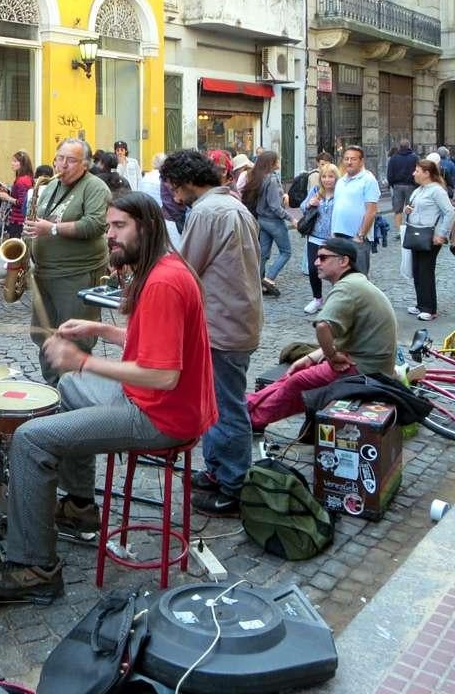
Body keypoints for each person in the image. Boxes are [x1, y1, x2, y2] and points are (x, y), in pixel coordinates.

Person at [0, 192, 217, 600]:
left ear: (146, 227)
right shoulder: (165, 267)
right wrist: (101, 332)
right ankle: (79, 505)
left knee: (30, 438)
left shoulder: (163, 282)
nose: (110, 236)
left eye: (118, 227)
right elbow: (157, 343)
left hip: (161, 416)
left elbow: (162, 375)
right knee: (68, 387)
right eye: (108, 226)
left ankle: (34, 567)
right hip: (162, 402)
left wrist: (81, 360)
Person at [163, 151, 261, 515]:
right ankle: (219, 470)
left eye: (175, 187)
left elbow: (185, 268)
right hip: (236, 318)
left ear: (188, 182)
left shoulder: (207, 211)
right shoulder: (233, 205)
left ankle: (234, 485)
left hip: (222, 324)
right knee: (218, 402)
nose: (174, 196)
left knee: (225, 407)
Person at [246, 238, 397, 433]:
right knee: (295, 374)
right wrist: (311, 357)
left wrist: (332, 357)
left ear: (343, 261)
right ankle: (247, 406)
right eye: (318, 257)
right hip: (365, 361)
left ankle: (253, 419)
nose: (316, 262)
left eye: (323, 258)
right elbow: (340, 336)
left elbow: (323, 326)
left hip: (366, 368)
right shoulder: (355, 282)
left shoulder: (347, 287)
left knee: (299, 382)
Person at [24, 138, 109, 386]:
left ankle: (75, 392)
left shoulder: (95, 187)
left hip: (77, 273)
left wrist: (51, 230)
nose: (62, 165)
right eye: (59, 158)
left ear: (85, 164)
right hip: (44, 272)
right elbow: (36, 222)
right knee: (43, 333)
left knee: (74, 336)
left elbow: (94, 225)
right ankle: (52, 386)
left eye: (70, 160)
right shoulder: (49, 186)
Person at [405, 159, 455, 320]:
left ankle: (430, 308)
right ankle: (421, 304)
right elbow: (415, 209)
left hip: (430, 236)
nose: (414, 173)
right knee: (417, 270)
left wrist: (441, 234)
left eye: (417, 171)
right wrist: (408, 210)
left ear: (427, 173)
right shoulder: (419, 189)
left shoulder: (437, 191)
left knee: (426, 271)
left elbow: (449, 212)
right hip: (416, 234)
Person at [242, 151, 294, 297]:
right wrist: (292, 219)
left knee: (263, 254)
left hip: (262, 220)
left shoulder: (260, 177)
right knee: (286, 252)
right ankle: (269, 278)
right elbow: (275, 207)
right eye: (277, 159)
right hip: (274, 222)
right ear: (271, 163)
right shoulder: (271, 179)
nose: (280, 160)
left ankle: (256, 282)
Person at [299, 163, 339, 314]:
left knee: (334, 271)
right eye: (324, 176)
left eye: (330, 176)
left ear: (336, 178)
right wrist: (310, 203)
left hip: (333, 238)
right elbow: (302, 207)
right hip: (315, 236)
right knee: (312, 268)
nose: (327, 180)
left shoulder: (340, 193)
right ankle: (317, 299)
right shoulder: (316, 191)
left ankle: (337, 300)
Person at [333, 145, 379, 275]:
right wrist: (333, 233)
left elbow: (371, 211)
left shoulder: (368, 180)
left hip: (357, 239)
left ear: (361, 161)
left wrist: (361, 235)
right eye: (346, 158)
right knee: (340, 276)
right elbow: (337, 208)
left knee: (359, 277)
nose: (349, 162)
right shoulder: (341, 181)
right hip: (339, 236)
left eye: (353, 159)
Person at [0, 151, 34, 239]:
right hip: (19, 219)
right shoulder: (25, 178)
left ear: (22, 164)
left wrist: (7, 197)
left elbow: (22, 202)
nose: (12, 163)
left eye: (15, 161)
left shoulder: (22, 181)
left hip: (19, 220)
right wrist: (8, 192)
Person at [386, 138, 418, 231]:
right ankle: (410, 228)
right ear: (409, 146)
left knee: (397, 210)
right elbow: (418, 171)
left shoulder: (394, 158)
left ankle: (399, 231)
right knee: (411, 208)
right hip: (411, 185)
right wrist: (417, 184)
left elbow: (390, 173)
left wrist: (392, 184)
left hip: (397, 186)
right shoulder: (414, 157)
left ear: (400, 147)